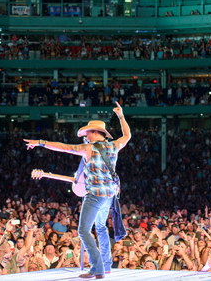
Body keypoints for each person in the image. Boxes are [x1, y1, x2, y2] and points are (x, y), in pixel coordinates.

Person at [24, 102, 131, 279]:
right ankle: (102, 266)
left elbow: (63, 147)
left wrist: (40, 143)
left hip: (95, 195)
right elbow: (127, 135)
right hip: (109, 196)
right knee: (101, 228)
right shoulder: (114, 146)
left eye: (88, 133)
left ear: (97, 132)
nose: (86, 136)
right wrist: (121, 116)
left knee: (83, 230)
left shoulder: (88, 148)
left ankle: (99, 267)